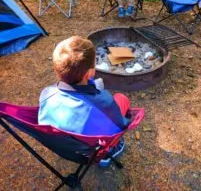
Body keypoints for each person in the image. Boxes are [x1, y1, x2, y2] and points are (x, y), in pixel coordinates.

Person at [38, 36, 131, 165]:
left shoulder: (46, 93)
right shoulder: (104, 102)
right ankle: (108, 152)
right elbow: (121, 126)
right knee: (121, 98)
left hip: (68, 144)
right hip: (96, 146)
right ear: (89, 72)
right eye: (95, 63)